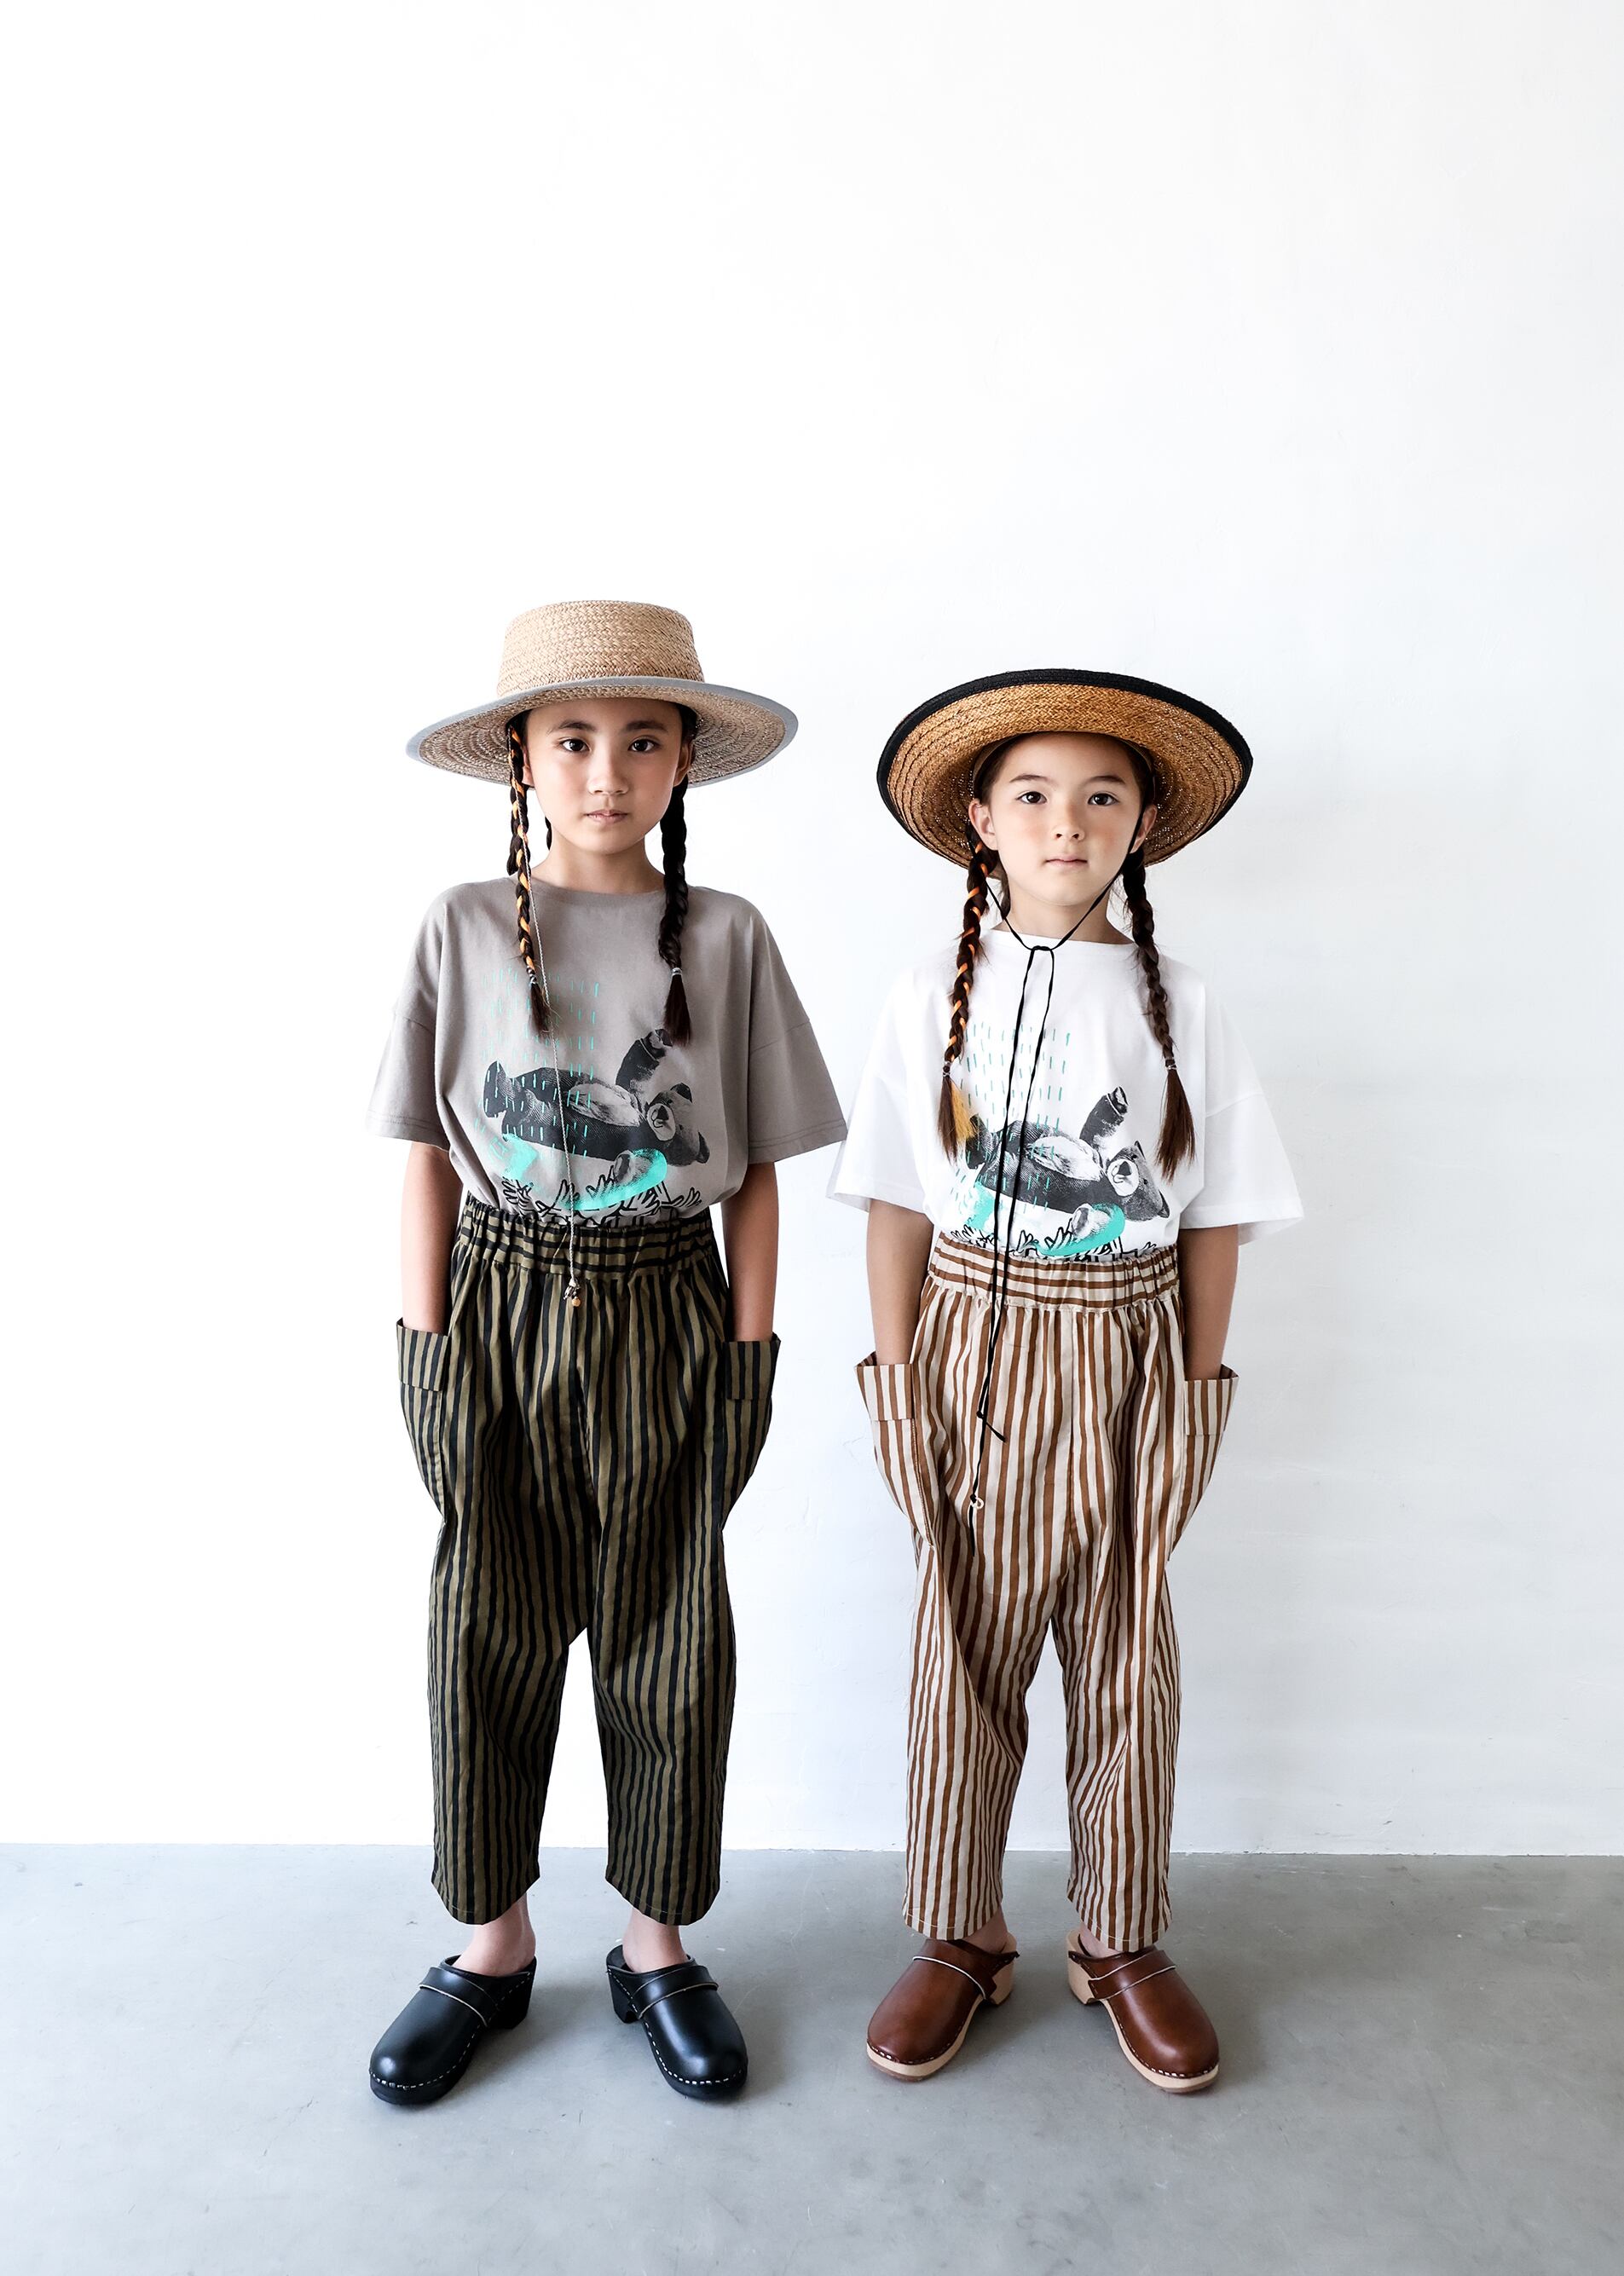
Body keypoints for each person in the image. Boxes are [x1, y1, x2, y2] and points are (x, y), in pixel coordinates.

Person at [365, 599, 845, 2104]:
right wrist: (427, 1350)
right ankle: (492, 1944)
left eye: (644, 740)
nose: (606, 770)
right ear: (520, 755)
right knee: (483, 1634)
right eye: (571, 737)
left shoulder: (727, 935)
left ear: (684, 761)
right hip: (496, 1305)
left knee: (670, 1638)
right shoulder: (459, 923)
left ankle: (656, 1944)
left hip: (667, 1305)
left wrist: (747, 1357)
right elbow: (424, 1156)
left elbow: (756, 1173)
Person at [829, 668, 1302, 2091]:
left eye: (1101, 796)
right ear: (979, 818)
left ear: (1141, 823)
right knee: (959, 1650)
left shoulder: (1182, 1004)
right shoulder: (927, 993)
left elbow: (1214, 1213)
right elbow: (895, 1199)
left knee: (1123, 1657)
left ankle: (1119, 1936)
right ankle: (960, 1930)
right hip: (967, 1351)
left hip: (1127, 1355)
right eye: (1031, 793)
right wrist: (897, 1381)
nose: (1065, 822)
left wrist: (1193, 1392)